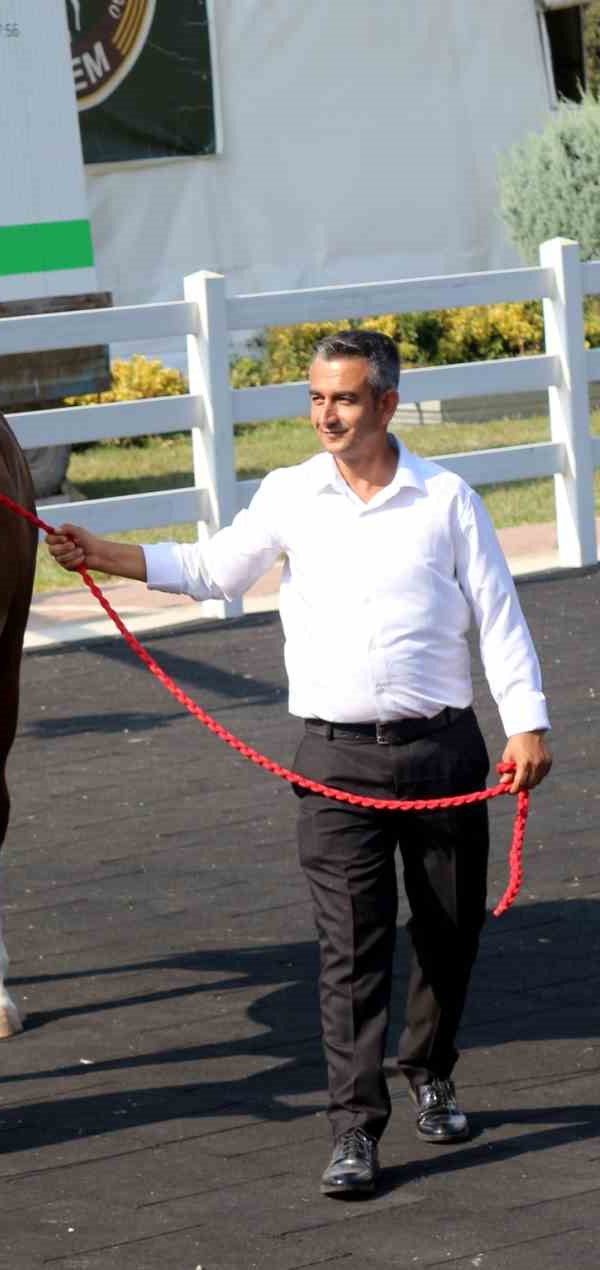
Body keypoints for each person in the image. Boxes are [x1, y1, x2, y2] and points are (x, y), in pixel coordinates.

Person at [46, 329, 552, 1200]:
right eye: (316, 399)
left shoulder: (447, 499)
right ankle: (354, 1127)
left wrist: (527, 725)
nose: (327, 414)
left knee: (448, 931)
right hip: (335, 761)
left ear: (386, 405)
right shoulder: (289, 495)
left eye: (345, 399)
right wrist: (105, 554)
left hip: (444, 751)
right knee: (348, 950)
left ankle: (431, 1068)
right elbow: (208, 568)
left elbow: (498, 617)